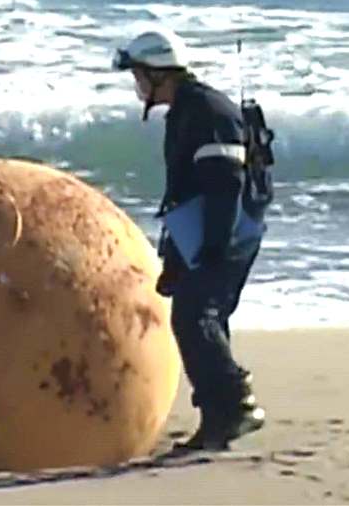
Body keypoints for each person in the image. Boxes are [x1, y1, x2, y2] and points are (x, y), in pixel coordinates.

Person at [113, 29, 274, 451]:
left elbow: (225, 183)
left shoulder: (206, 110)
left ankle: (238, 404)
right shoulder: (187, 110)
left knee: (193, 317)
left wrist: (214, 249)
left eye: (138, 75)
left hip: (229, 232)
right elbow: (186, 192)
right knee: (205, 318)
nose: (136, 85)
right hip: (210, 233)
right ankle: (218, 420)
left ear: (157, 74)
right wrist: (177, 261)